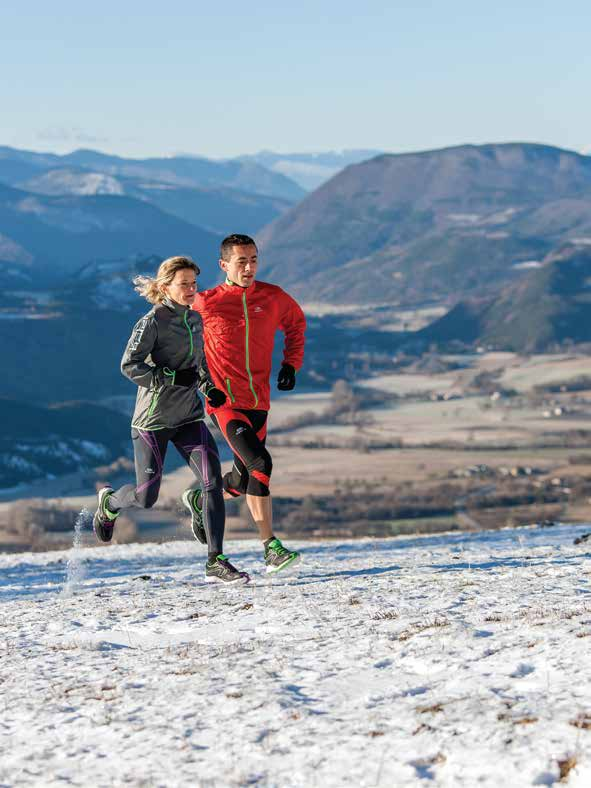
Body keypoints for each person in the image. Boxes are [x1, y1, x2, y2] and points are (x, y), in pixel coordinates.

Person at [92, 256, 249, 584]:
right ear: (166, 287)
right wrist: (168, 376)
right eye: (184, 284)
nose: (192, 290)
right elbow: (129, 365)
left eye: (194, 283)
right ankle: (109, 503)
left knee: (213, 483)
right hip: (153, 421)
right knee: (146, 497)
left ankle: (215, 560)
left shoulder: (195, 319)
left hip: (190, 416)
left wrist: (210, 389)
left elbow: (200, 365)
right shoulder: (152, 322)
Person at [192, 234, 306, 574]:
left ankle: (200, 501)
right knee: (260, 462)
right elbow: (178, 331)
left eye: (254, 259)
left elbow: (296, 323)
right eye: (241, 261)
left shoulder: (273, 296)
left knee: (243, 481)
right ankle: (270, 547)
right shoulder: (207, 302)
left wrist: (291, 363)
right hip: (224, 401)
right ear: (223, 265)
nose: (249, 267)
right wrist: (202, 381)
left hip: (259, 399)